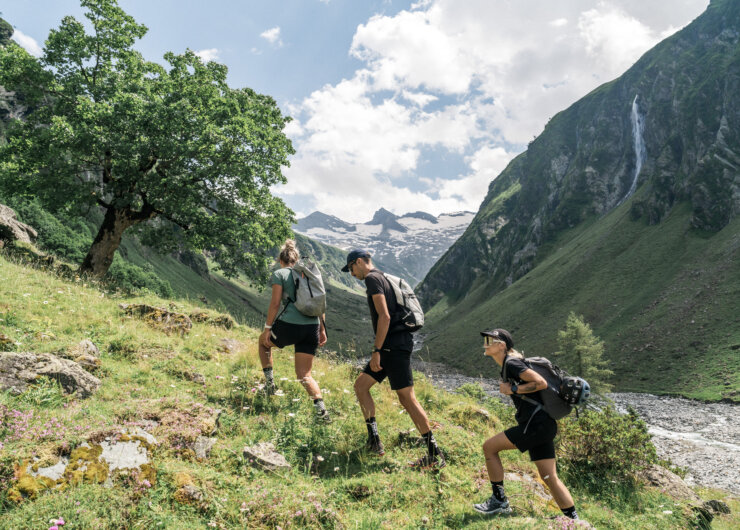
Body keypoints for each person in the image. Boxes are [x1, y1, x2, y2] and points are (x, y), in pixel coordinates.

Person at [343, 249, 445, 468]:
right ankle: (374, 440)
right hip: (395, 345)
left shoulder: (372, 279)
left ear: (359, 262)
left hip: (392, 347)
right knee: (361, 386)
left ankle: (435, 453)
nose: (351, 273)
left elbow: (385, 316)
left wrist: (377, 350)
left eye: (351, 268)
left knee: (407, 398)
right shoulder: (384, 277)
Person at [473, 328, 579, 520]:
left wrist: (512, 389)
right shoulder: (510, 363)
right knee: (549, 477)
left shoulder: (511, 363)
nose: (485, 343)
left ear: (501, 346)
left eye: (490, 340)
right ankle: (573, 520)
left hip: (535, 425)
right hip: (545, 425)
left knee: (489, 448)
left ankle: (499, 502)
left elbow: (540, 383)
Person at [259, 239, 330, 422]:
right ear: (296, 259)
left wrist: (268, 329)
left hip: (290, 325)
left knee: (263, 343)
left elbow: (275, 304)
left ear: (280, 260)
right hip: (313, 326)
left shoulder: (280, 273)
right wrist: (323, 329)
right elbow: (319, 303)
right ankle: (322, 411)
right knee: (304, 374)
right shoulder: (308, 274)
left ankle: (270, 385)